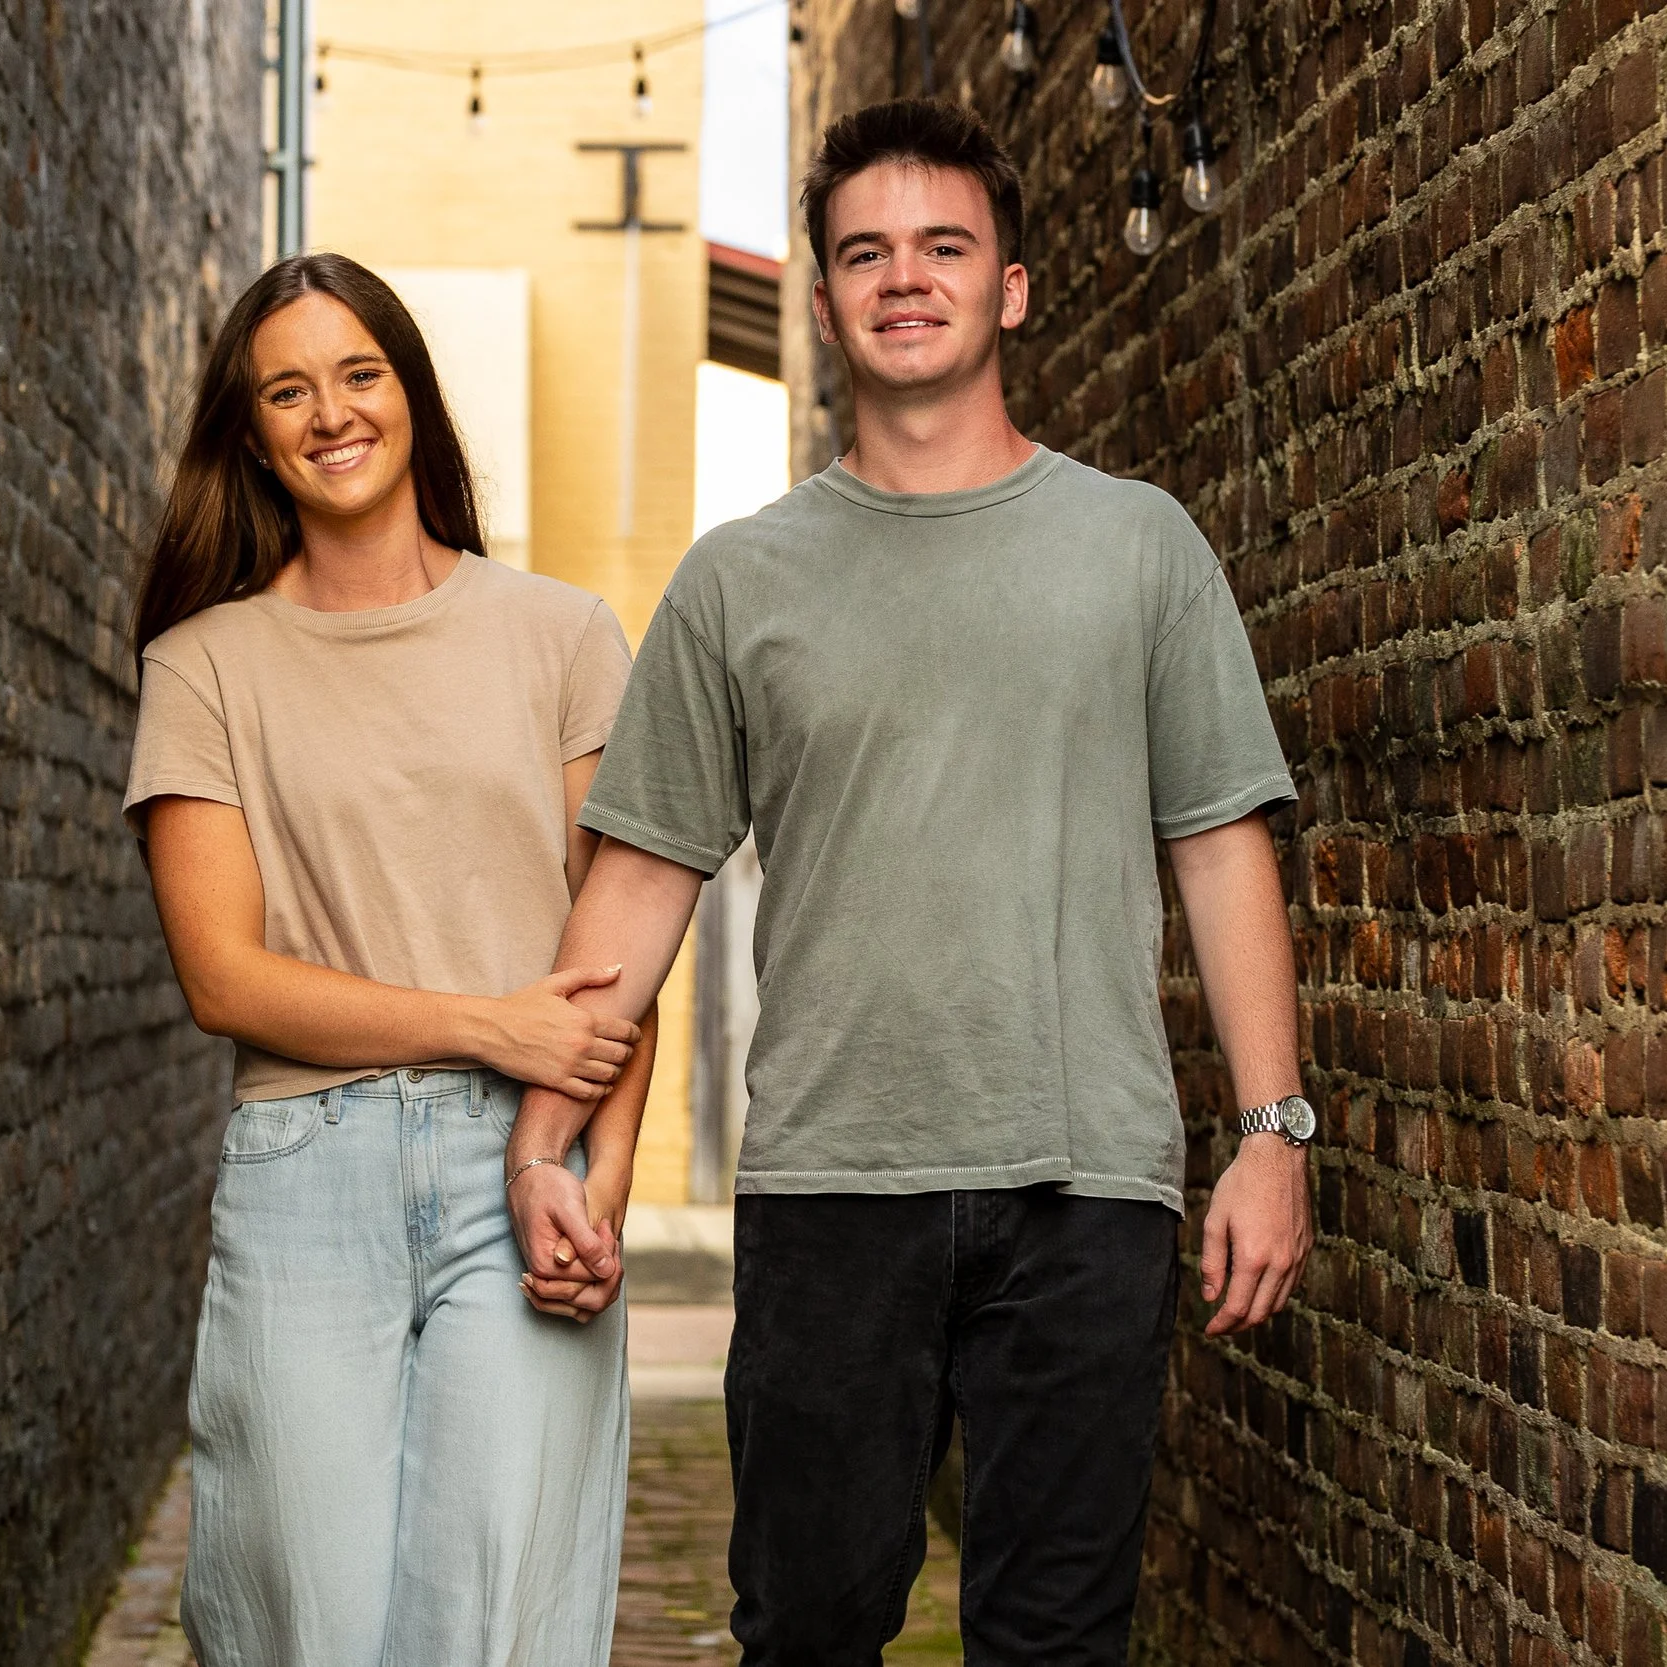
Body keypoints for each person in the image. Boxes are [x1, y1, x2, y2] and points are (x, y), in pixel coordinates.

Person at [506, 100, 1318, 1665]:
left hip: (1087, 1187)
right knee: (806, 1626)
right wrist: (548, 1145)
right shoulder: (738, 581)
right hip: (831, 1184)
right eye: (866, 253)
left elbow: (1222, 845)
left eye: (945, 246)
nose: (906, 279)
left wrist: (1271, 1132)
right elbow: (635, 889)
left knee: (1058, 1635)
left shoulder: (1138, 548)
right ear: (820, 305)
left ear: (1010, 285)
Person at [123, 253, 650, 1667]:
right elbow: (223, 978)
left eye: (360, 373)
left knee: (498, 1621)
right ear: (251, 433)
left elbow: (620, 955)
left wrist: (594, 1180)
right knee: (312, 1624)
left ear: (412, 391)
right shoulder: (207, 664)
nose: (331, 411)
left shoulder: (562, 636)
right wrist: (490, 1023)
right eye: (287, 390)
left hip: (521, 1163)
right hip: (307, 1175)